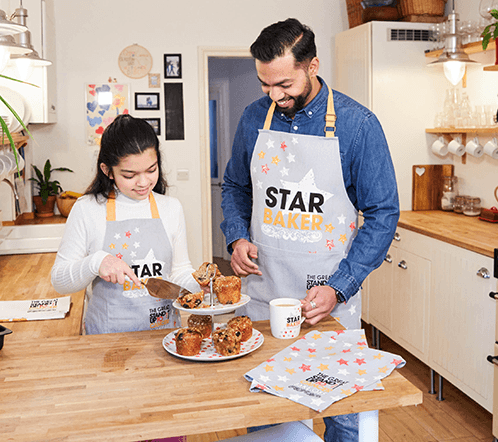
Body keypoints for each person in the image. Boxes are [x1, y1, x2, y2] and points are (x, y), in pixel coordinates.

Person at [220, 18, 399, 441]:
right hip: (266, 294)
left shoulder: (358, 126)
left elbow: (383, 212)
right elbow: (234, 186)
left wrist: (340, 286)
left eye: (284, 84)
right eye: (266, 85)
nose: (275, 95)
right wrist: (236, 234)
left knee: (343, 413)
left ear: (312, 65)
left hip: (330, 297)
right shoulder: (253, 119)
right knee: (267, 408)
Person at [52, 114, 202, 335]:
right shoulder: (87, 209)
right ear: (107, 170)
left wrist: (200, 284)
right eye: (130, 175)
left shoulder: (171, 208)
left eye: (151, 170)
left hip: (164, 335)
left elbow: (178, 271)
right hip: (108, 341)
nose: (143, 183)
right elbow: (59, 281)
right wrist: (97, 262)